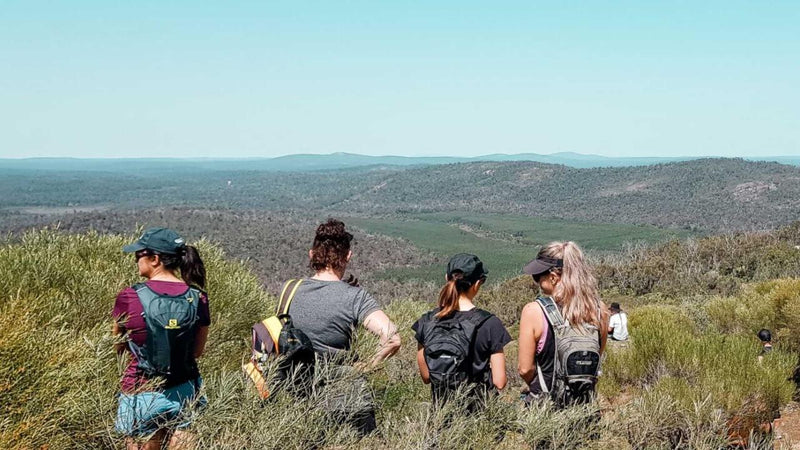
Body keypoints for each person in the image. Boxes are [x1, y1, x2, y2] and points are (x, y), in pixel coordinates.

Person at [283, 218, 401, 435]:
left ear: (312, 255)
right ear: (347, 256)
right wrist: (366, 366)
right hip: (346, 397)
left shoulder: (289, 290)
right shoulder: (355, 297)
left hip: (295, 396)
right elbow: (392, 338)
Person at [112, 228, 210, 450]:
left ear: (155, 259)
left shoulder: (129, 297)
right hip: (186, 390)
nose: (136, 260)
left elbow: (117, 346)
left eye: (139, 255)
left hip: (140, 390)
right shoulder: (198, 297)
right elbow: (197, 351)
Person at [412, 253, 511, 409]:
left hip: (442, 415)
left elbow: (426, 377)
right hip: (479, 417)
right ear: (477, 284)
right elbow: (499, 382)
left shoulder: (426, 322)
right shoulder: (489, 323)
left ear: (447, 278)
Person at [518, 241, 608, 406]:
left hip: (546, 411)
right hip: (584, 406)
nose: (536, 281)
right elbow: (596, 355)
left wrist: (541, 386)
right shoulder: (599, 310)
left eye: (538, 276)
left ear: (553, 277)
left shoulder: (534, 311)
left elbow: (525, 369)